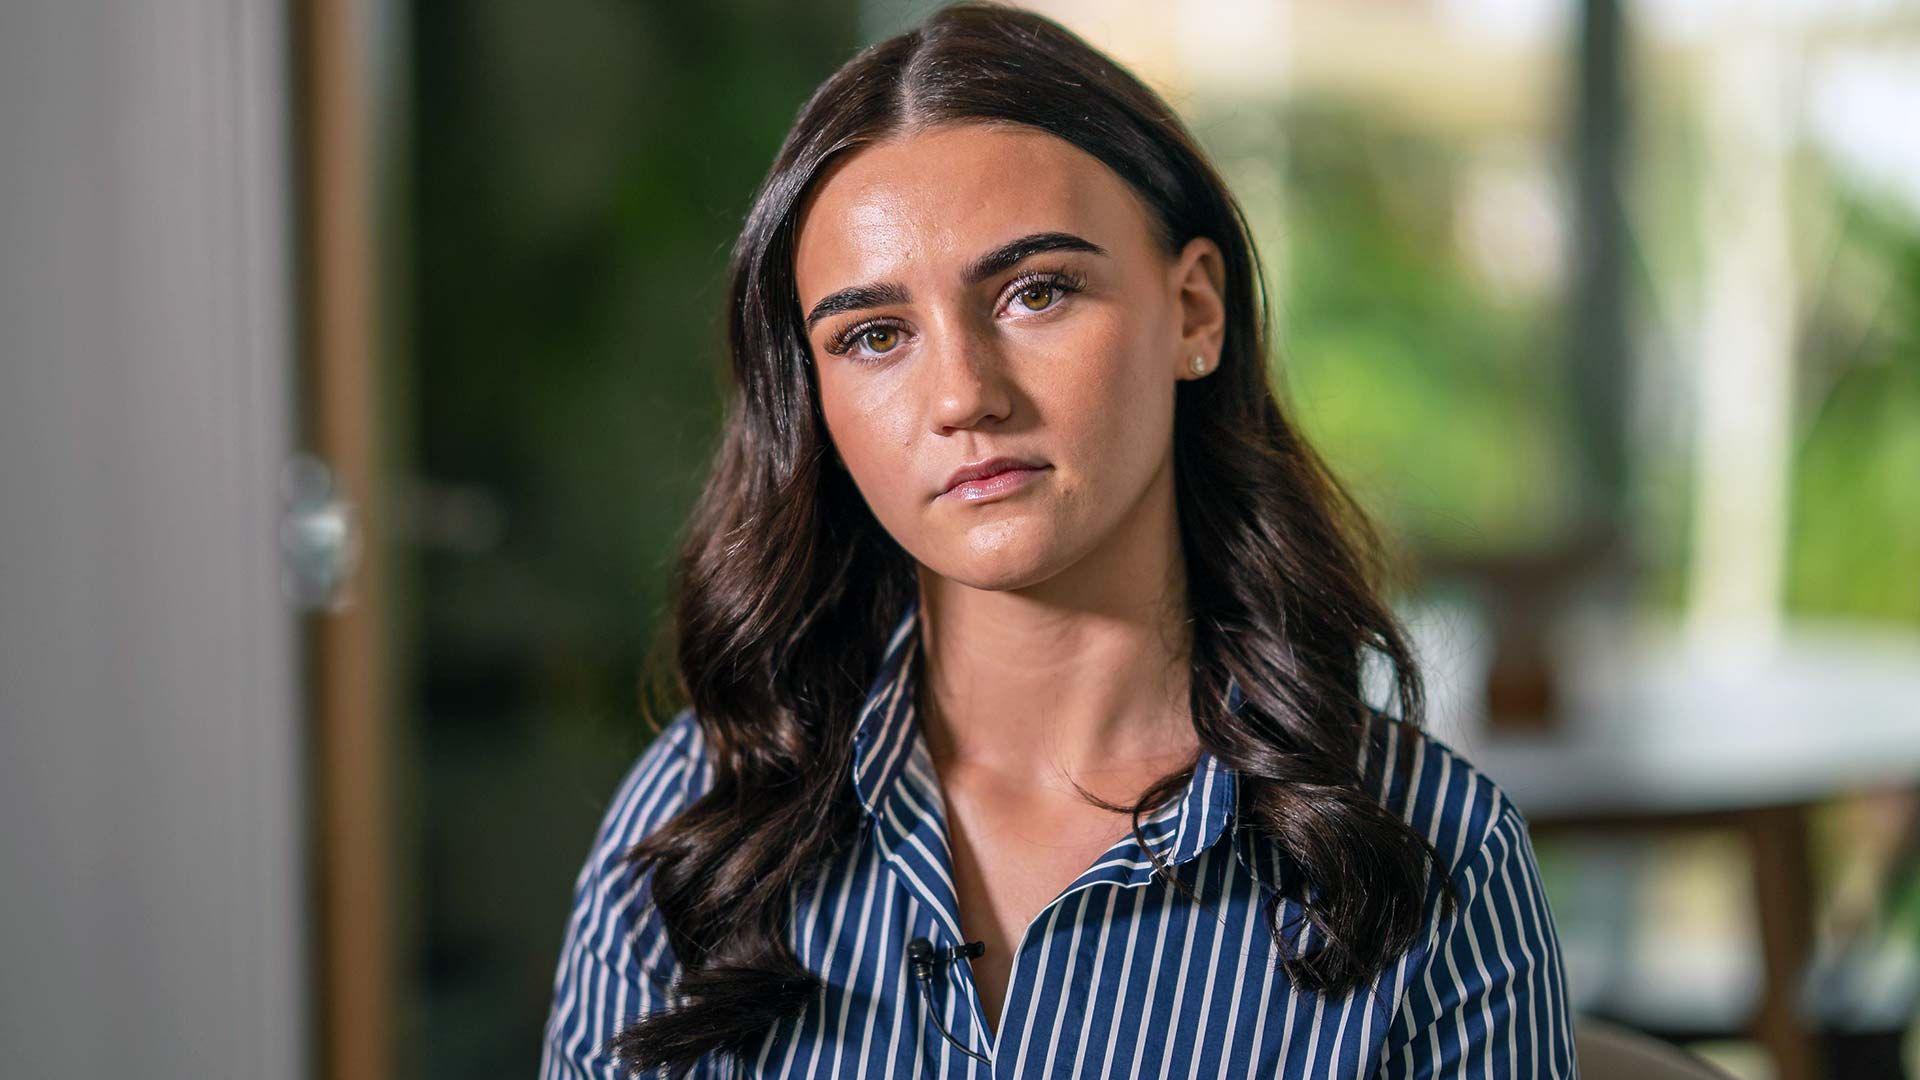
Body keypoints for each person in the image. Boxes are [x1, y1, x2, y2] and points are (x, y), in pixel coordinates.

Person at [540, 2, 1577, 1076]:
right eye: (875, 335)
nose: (962, 396)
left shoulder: (1434, 852)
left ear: (1194, 311)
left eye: (1036, 293)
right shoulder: (698, 825)